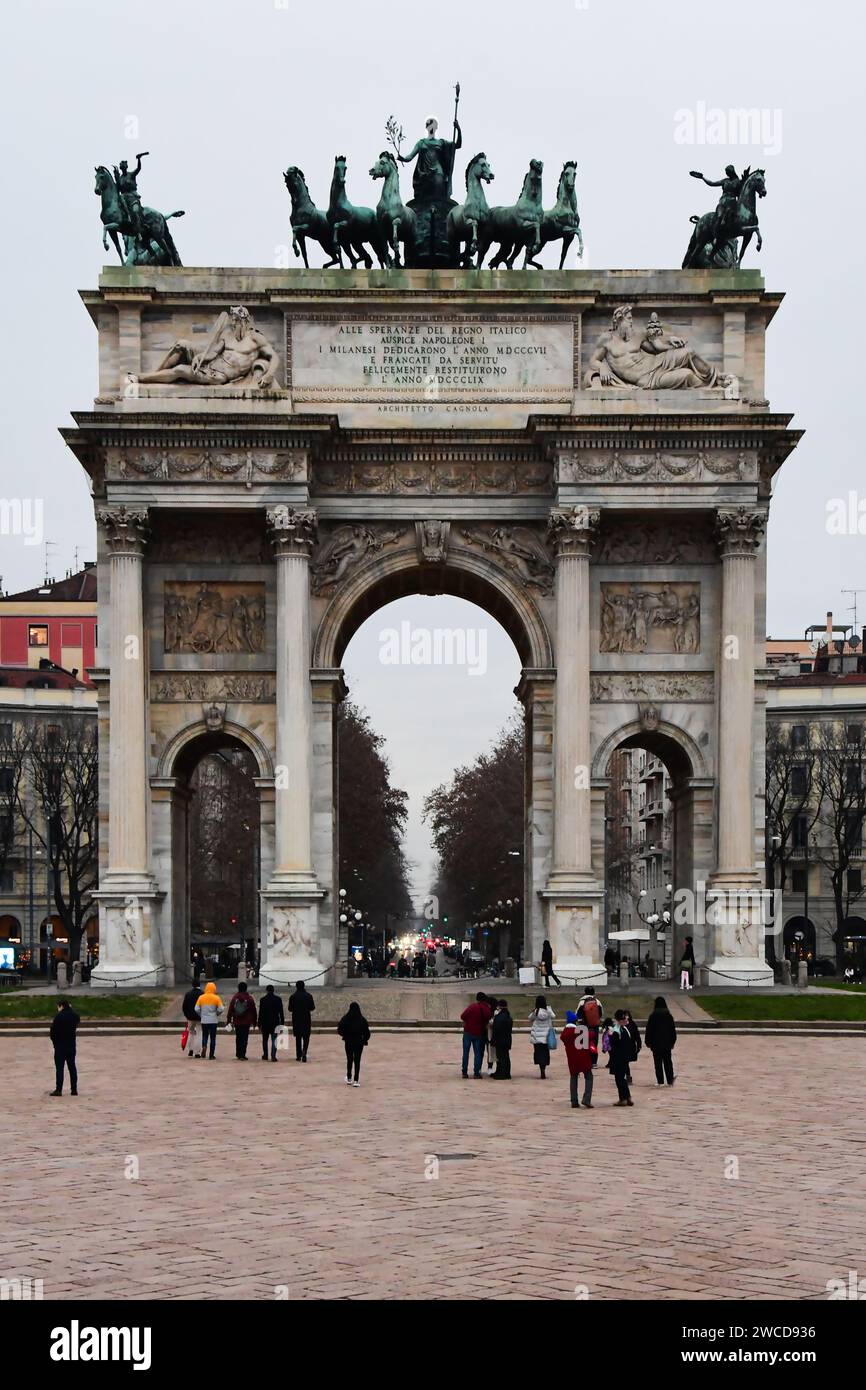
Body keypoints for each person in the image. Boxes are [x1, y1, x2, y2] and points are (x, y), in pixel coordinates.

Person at [560, 1010, 594, 1109]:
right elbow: (591, 1036)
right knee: (589, 1077)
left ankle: (574, 1101)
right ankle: (586, 1099)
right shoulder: (581, 1030)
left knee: (573, 1078)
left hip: (572, 1059)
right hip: (583, 1057)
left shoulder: (565, 1033)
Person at [49, 1000, 80, 1096]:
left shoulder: (59, 1016)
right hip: (71, 1045)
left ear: (61, 1006)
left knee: (60, 1068)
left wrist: (55, 1042)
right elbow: (77, 1020)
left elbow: (52, 1032)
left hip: (60, 1046)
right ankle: (74, 1089)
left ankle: (59, 1090)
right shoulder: (74, 1016)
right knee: (72, 1067)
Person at [644, 995, 677, 1086]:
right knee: (668, 1062)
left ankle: (660, 1081)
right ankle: (670, 1080)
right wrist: (673, 1041)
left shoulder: (652, 1016)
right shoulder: (668, 1016)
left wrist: (648, 1042)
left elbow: (649, 1030)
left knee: (657, 1063)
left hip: (656, 1044)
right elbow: (672, 1030)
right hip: (667, 1043)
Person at [338, 1001, 371, 1086]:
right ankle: (356, 1080)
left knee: (349, 1059)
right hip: (359, 1042)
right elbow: (367, 1032)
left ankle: (349, 1078)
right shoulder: (362, 1019)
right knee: (357, 1060)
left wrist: (345, 1035)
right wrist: (364, 1040)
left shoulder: (346, 1018)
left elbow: (339, 1029)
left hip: (348, 1041)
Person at [460, 992, 492, 1078]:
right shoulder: (486, 1008)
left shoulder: (472, 1006)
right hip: (479, 1033)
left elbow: (462, 1016)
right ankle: (476, 1072)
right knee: (477, 1053)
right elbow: (488, 1017)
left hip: (468, 1032)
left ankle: (464, 1072)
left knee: (466, 1053)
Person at [606, 1010, 636, 1105]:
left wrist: (610, 1036)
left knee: (619, 1079)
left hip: (618, 1058)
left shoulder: (616, 1030)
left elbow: (613, 1045)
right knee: (622, 1078)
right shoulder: (626, 1029)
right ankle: (627, 1097)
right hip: (625, 1057)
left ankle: (623, 1098)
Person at [226, 981, 257, 1060]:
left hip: (237, 1020)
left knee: (238, 1037)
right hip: (246, 1021)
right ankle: (243, 1054)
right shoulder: (249, 998)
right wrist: (254, 1021)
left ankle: (238, 1053)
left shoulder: (235, 998)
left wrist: (229, 1020)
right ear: (246, 989)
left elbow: (230, 1010)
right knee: (244, 1038)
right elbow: (253, 1010)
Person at [529, 995, 556, 1078]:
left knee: (538, 1052)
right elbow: (553, 1016)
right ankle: (544, 1067)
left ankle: (541, 1068)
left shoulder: (536, 1011)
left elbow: (530, 1018)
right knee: (545, 1053)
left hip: (537, 1036)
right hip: (546, 1036)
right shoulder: (548, 1010)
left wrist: (533, 1011)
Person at [195, 981, 224, 1058]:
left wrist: (201, 1014)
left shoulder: (201, 997)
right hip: (213, 1020)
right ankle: (211, 1055)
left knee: (204, 1035)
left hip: (204, 1020)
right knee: (213, 1037)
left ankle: (204, 1046)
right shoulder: (216, 998)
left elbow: (196, 1009)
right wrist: (216, 1013)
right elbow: (221, 1009)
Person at [288, 980, 316, 1062]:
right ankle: (304, 1052)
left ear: (296, 986)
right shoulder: (309, 996)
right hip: (306, 1018)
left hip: (296, 1018)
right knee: (306, 1037)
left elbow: (290, 1009)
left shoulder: (293, 996)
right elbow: (312, 1007)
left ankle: (298, 1054)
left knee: (298, 1037)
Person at [258, 983, 284, 1062]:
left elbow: (261, 1012)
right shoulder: (278, 999)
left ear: (267, 990)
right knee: (274, 1039)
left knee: (265, 1040)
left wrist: (259, 1023)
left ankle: (265, 1055)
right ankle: (273, 1055)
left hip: (265, 1022)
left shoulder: (263, 999)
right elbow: (281, 1013)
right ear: (273, 990)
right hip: (275, 1022)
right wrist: (282, 1023)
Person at [491, 999, 513, 1079]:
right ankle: (505, 1073)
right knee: (506, 1056)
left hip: (500, 1040)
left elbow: (496, 1029)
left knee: (501, 1057)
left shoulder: (499, 1017)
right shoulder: (508, 1016)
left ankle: (502, 1074)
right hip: (507, 1039)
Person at [622, 1009, 642, 1085]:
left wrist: (639, 1045)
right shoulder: (620, 1024)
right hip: (622, 1046)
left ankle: (628, 1077)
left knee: (625, 1062)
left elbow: (637, 1035)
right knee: (624, 1062)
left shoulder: (632, 1024)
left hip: (630, 1046)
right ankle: (626, 1077)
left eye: (627, 1015)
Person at [181, 981, 201, 1058]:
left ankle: (190, 1050)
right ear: (199, 985)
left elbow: (184, 1007)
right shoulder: (202, 993)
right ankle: (197, 1052)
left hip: (190, 1017)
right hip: (199, 1017)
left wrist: (187, 1016)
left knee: (191, 1033)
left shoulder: (188, 994)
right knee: (199, 1034)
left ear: (192, 985)